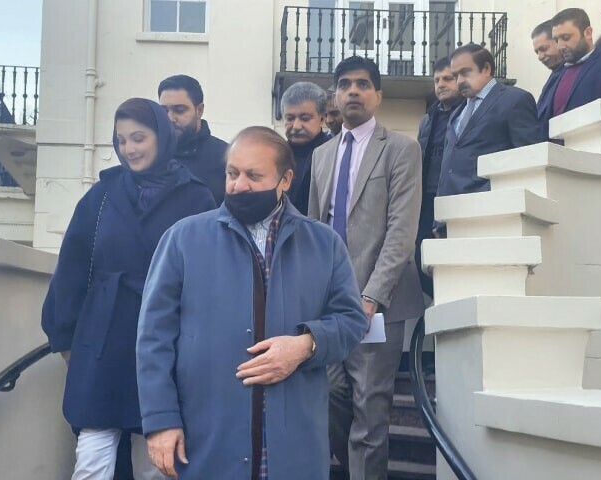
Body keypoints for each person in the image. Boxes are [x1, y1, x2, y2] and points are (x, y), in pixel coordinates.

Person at [136, 126, 367, 480]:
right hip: (205, 441)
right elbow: (153, 338)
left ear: (286, 179)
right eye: (232, 173)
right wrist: (160, 421)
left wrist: (306, 345)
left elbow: (352, 321)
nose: (238, 185)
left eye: (253, 175)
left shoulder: (325, 244)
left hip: (294, 447)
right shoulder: (182, 239)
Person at [41, 98, 216, 480]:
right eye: (121, 140)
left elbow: (208, 279)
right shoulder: (100, 197)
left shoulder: (197, 197)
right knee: (92, 458)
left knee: (158, 460)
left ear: (162, 136)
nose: (129, 149)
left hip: (165, 342)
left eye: (139, 137)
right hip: (102, 340)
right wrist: (67, 338)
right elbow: (70, 268)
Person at [308, 55, 424, 480]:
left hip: (380, 304)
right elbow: (316, 232)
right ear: (335, 96)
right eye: (344, 84)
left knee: (371, 412)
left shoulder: (401, 149)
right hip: (331, 303)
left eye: (362, 84)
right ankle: (351, 465)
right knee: (331, 395)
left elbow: (401, 231)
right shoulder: (322, 156)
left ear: (378, 94)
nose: (352, 91)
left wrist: (372, 296)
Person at [435, 44, 543, 217]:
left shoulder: (514, 100)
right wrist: (439, 220)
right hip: (452, 214)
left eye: (465, 72)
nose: (460, 81)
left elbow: (529, 160)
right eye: (456, 76)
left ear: (486, 68)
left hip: (493, 212)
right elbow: (448, 166)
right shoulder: (457, 113)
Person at [416, 57, 463, 297]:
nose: (441, 84)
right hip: (425, 201)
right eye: (437, 80)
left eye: (448, 78)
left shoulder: (469, 114)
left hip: (455, 200)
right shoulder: (428, 119)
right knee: (421, 262)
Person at [158, 74, 227, 205]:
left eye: (179, 110)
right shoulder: (152, 156)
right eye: (164, 110)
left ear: (199, 110)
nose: (170, 118)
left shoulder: (226, 157)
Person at [549, 8, 601, 120]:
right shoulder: (557, 73)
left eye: (566, 38)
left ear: (588, 33)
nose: (560, 46)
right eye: (556, 40)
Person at [282, 81, 329, 214]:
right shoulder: (274, 155)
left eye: (305, 118)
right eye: (290, 118)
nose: (296, 126)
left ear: (322, 118)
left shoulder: (335, 154)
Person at [532, 20, 565, 139]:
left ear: (558, 41)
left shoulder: (570, 73)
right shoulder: (555, 75)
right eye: (537, 52)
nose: (540, 57)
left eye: (544, 49)